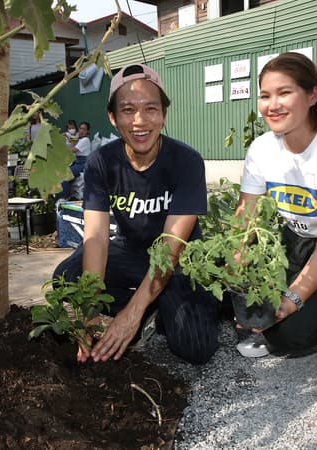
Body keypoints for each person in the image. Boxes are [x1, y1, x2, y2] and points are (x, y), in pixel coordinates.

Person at [53, 63, 219, 365]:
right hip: (130, 252)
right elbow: (97, 239)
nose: (140, 121)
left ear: (163, 114)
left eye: (150, 109)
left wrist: (132, 314)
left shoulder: (187, 161)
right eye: (128, 110)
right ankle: (150, 306)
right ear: (113, 118)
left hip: (178, 259)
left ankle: (155, 306)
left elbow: (170, 250)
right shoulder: (102, 163)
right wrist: (89, 310)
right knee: (66, 278)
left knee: (196, 347)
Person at [235, 52, 317, 357]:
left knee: (289, 336)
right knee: (242, 304)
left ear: (312, 95)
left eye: (284, 92)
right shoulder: (262, 149)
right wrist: (235, 272)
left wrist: (294, 296)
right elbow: (246, 220)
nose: (272, 104)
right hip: (291, 242)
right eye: (265, 95)